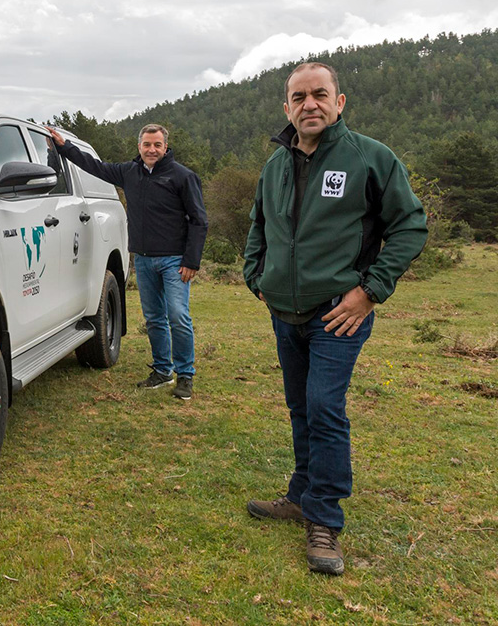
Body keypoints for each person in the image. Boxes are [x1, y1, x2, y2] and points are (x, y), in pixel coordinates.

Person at [243, 62, 427, 576]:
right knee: (301, 408)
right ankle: (301, 495)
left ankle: (324, 519)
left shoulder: (370, 158)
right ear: (287, 107)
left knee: (324, 408)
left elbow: (411, 225)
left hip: (338, 315)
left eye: (319, 95)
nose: (309, 105)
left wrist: (370, 291)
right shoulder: (274, 165)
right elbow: (258, 224)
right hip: (284, 311)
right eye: (298, 97)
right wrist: (256, 274)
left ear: (339, 102)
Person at [46, 123, 208, 400]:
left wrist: (191, 260)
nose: (152, 149)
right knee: (154, 319)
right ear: (139, 146)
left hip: (174, 261)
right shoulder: (129, 173)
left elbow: (199, 220)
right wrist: (63, 147)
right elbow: (93, 166)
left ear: (166, 147)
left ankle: (186, 375)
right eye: (147, 144)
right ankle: (161, 371)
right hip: (143, 260)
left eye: (157, 145)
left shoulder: (183, 177)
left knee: (178, 316)